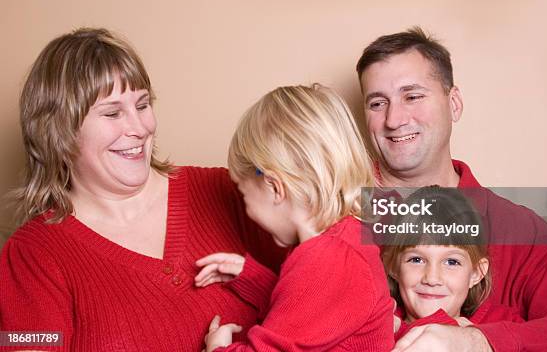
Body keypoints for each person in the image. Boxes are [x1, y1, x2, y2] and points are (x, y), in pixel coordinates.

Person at [0, 28, 284, 351]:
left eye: (143, 105)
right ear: (58, 134)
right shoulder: (31, 255)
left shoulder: (227, 189)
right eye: (112, 113)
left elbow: (342, 246)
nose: (140, 128)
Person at [356, 27, 547, 351]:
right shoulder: (330, 211)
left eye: (413, 96)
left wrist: (479, 342)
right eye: (377, 103)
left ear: (454, 104)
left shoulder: (521, 231)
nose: (394, 119)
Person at [195, 85, 395, 351]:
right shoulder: (338, 244)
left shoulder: (330, 258)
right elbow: (303, 316)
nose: (246, 210)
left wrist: (218, 349)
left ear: (275, 188)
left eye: (244, 195)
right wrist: (252, 278)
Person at [381, 186, 524, 341]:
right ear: (392, 266)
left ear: (476, 273)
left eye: (451, 262)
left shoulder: (503, 324)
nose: (432, 279)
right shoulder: (380, 327)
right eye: (416, 260)